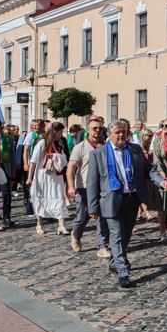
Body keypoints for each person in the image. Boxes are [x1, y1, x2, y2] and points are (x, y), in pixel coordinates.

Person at [87, 119, 156, 288]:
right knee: (117, 236)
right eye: (117, 132)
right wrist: (93, 206)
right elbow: (92, 182)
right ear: (109, 134)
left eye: (123, 132)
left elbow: (149, 170)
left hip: (131, 199)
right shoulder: (98, 154)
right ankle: (123, 271)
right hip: (110, 200)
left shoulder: (135, 150)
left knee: (125, 236)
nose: (120, 135)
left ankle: (114, 262)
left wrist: (161, 181)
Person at [66, 118, 110, 257]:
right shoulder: (81, 147)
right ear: (88, 130)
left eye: (100, 128)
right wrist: (71, 186)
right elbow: (71, 167)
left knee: (103, 217)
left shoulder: (107, 146)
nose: (98, 131)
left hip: (103, 187)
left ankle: (102, 246)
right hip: (84, 187)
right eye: (94, 128)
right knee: (82, 217)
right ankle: (76, 234)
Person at [27, 121, 70, 235]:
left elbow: (65, 158)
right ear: (54, 132)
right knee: (41, 198)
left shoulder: (58, 144)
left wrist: (56, 156)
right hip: (43, 175)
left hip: (56, 175)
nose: (62, 134)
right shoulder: (42, 143)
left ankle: (61, 225)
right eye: (60, 132)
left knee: (58, 197)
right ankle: (39, 224)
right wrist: (29, 178)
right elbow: (33, 161)